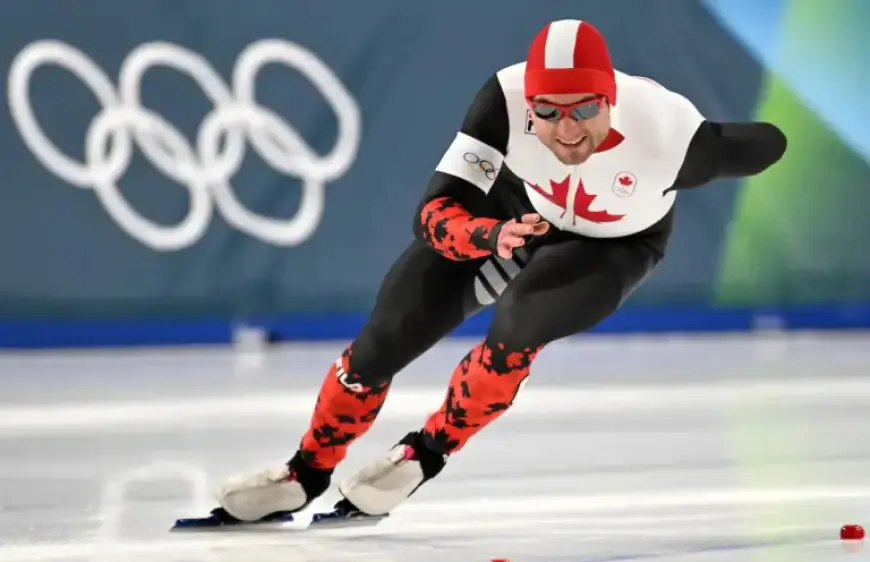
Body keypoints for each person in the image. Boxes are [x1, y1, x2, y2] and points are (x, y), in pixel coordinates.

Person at [214, 19, 786, 523]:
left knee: (518, 325)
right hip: (514, 210)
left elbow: (769, 143)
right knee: (382, 341)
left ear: (611, 100)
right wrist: (490, 235)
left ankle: (426, 452)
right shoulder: (505, 98)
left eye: (586, 108)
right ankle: (307, 471)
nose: (567, 132)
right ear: (529, 105)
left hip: (613, 245)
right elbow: (433, 213)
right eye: (549, 113)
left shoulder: (672, 136)